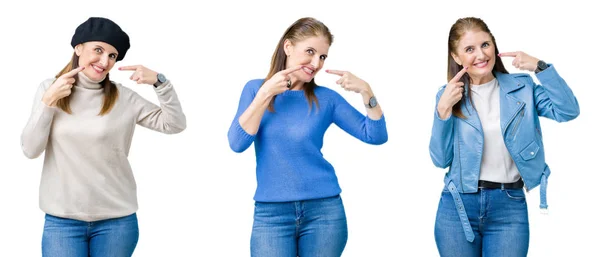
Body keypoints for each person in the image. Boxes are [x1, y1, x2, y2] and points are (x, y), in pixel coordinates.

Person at [20, 17, 186, 257]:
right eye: (98, 50)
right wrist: (48, 102)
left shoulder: (123, 97)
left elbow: (174, 124)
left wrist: (161, 83)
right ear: (78, 48)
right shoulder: (50, 89)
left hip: (116, 222)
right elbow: (30, 149)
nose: (104, 61)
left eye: (112, 55)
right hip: (62, 222)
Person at [227, 17, 388, 257]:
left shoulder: (326, 99)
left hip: (324, 212)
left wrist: (367, 92)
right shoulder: (255, 89)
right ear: (288, 47)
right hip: (271, 215)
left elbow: (375, 135)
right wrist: (266, 93)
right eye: (310, 52)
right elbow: (237, 143)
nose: (316, 63)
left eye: (322, 56)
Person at [429, 17, 579, 256]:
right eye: (469, 49)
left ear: (494, 46)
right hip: (457, 207)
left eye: (485, 45)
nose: (480, 55)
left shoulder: (523, 88)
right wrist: (442, 112)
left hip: (509, 205)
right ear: (456, 57)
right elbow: (440, 160)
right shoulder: (448, 96)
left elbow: (568, 110)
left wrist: (541, 68)